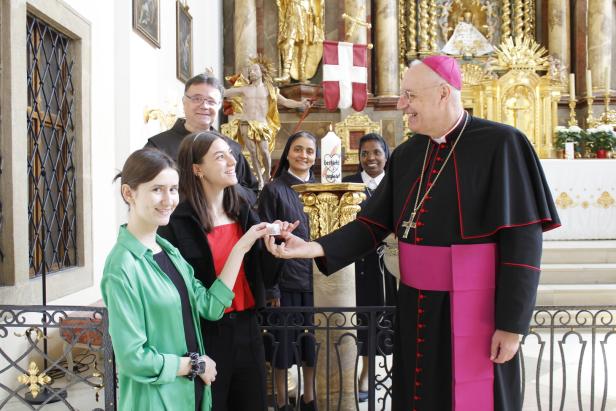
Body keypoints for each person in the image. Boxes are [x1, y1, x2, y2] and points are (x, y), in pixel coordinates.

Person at [265, 55, 561, 410]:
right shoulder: (407, 154)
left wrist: (512, 325)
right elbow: (372, 224)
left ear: (442, 93)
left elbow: (523, 242)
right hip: (416, 305)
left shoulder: (503, 144)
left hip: (476, 309)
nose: (401, 104)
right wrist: (311, 248)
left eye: (409, 95)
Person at [101, 148, 268, 411]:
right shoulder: (122, 266)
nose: (168, 200)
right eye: (157, 189)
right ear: (128, 193)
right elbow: (133, 358)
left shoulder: (168, 251)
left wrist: (241, 247)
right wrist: (195, 364)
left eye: (173, 189)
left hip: (193, 394)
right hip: (156, 400)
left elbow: (211, 307)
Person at [158, 130, 291, 411]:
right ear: (197, 169)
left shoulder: (242, 211)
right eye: (220, 156)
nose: (232, 161)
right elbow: (173, 289)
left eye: (231, 153)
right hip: (204, 334)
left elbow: (264, 276)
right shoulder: (176, 221)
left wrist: (276, 247)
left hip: (248, 328)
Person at [258, 131, 318, 411]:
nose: (303, 155)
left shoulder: (320, 188)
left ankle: (309, 398)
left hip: (316, 279)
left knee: (311, 346)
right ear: (287, 153)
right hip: (285, 280)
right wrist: (272, 287)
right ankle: (282, 401)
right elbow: (267, 241)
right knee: (282, 345)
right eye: (298, 149)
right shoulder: (274, 189)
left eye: (309, 151)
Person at [341, 133, 398, 402]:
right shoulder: (349, 185)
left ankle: (377, 370)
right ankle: (360, 373)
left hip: (390, 264)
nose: (371, 158)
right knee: (362, 317)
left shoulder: (396, 182)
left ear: (386, 155)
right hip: (360, 263)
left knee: (386, 316)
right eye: (365, 154)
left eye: (376, 152)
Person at [146, 73, 258, 204]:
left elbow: (251, 192)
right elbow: (143, 191)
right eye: (197, 99)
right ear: (184, 101)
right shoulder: (158, 146)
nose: (204, 106)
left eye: (211, 101)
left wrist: (225, 186)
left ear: (220, 105)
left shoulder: (231, 148)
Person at [225, 57, 311, 189]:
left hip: (261, 124)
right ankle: (259, 179)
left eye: (255, 70)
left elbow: (286, 102)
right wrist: (211, 79)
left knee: (265, 151)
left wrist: (301, 103)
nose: (252, 73)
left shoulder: (269, 90)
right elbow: (225, 92)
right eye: (250, 71)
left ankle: (267, 177)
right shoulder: (245, 89)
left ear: (262, 72)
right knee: (252, 152)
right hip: (246, 123)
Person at [275, 0, 324, 83]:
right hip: (293, 8)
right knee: (289, 41)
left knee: (304, 42)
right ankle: (286, 73)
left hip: (306, 9)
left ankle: (302, 73)